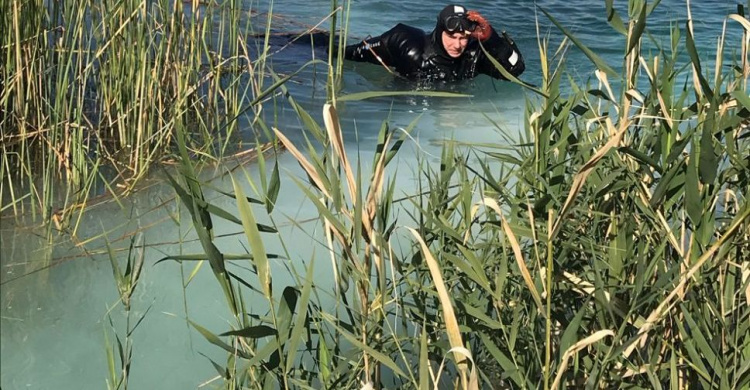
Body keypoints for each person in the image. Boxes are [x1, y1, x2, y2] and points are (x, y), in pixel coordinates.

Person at [344, 4, 525, 82]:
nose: (458, 45)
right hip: (400, 101)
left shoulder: (472, 56)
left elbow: (515, 70)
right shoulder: (410, 44)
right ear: (439, 32)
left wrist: (491, 38)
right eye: (452, 37)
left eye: (463, 38)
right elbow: (353, 53)